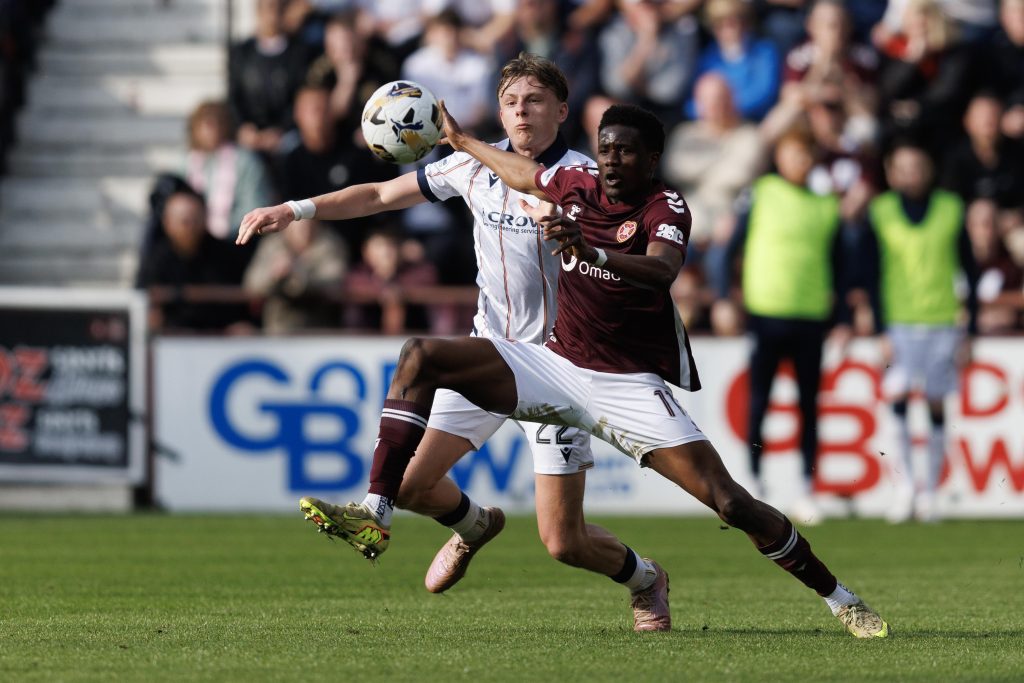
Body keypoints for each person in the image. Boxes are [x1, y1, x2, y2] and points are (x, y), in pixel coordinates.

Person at [261, 101, 891, 638]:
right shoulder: (574, 187)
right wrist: (458, 141)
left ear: (651, 159)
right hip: (549, 363)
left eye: (625, 152)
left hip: (625, 385)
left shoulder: (665, 206)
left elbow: (661, 271)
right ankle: (377, 511)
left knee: (729, 503)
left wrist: (591, 250)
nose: (612, 160)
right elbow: (524, 173)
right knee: (421, 356)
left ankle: (842, 600)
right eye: (606, 149)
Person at [237, 55, 666, 629]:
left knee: (563, 542)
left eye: (535, 100)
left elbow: (629, 250)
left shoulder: (586, 181)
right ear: (498, 112)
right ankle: (474, 525)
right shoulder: (472, 166)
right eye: (512, 101)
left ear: (562, 111)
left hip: (561, 365)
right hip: (489, 355)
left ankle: (645, 578)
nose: (522, 111)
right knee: (410, 485)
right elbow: (381, 197)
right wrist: (293, 209)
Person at [709, 131, 850, 525]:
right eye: (791, 154)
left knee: (809, 405)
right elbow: (726, 248)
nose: (798, 162)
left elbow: (839, 267)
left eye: (804, 154)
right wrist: (722, 297)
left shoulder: (826, 206)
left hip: (811, 317)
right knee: (760, 400)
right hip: (765, 313)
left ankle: (806, 487)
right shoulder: (762, 193)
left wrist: (841, 321)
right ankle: (755, 483)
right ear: (780, 158)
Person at [862, 140, 978, 523]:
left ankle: (930, 493)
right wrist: (879, 328)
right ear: (893, 173)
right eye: (903, 167)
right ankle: (905, 489)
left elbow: (969, 270)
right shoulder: (880, 212)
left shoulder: (950, 208)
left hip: (942, 321)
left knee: (936, 403)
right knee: (897, 401)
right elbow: (872, 274)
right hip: (898, 323)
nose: (911, 174)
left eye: (918, 165)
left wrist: (970, 328)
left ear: (928, 168)